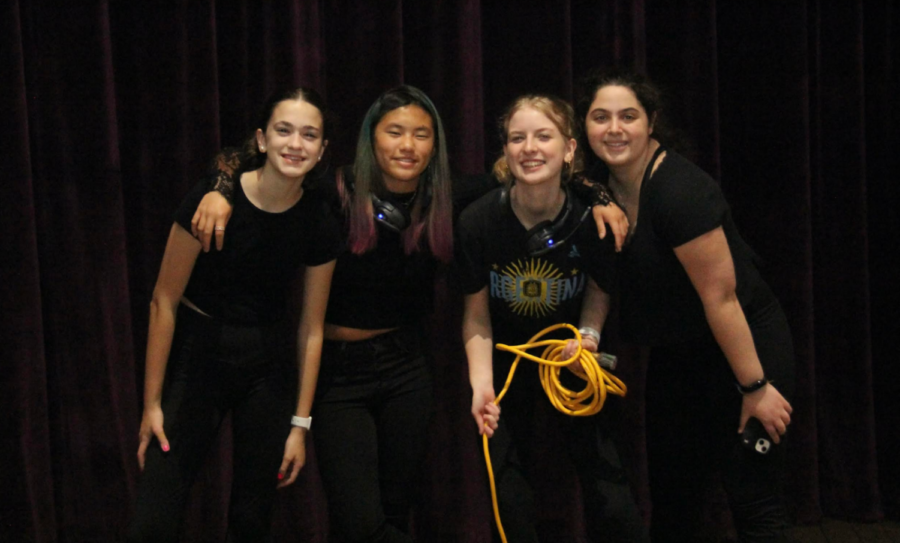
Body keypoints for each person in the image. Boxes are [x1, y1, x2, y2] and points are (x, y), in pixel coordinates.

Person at [189, 85, 630, 543]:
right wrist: (220, 188)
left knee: (394, 511)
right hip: (338, 374)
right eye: (394, 131)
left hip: (407, 370)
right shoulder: (334, 189)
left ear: (434, 143)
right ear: (371, 138)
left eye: (421, 134)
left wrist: (595, 192)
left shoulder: (450, 196)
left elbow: (534, 172)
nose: (407, 145)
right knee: (361, 522)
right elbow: (246, 159)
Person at [577, 69, 795, 542]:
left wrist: (754, 387)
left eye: (628, 116)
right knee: (673, 498)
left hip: (743, 347)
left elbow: (722, 297)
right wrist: (587, 337)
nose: (614, 128)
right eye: (600, 117)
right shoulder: (597, 187)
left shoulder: (681, 191)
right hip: (679, 353)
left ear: (651, 122)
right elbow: (603, 277)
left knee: (752, 495)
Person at [127, 87, 343, 542]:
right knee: (153, 519)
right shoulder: (211, 203)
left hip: (267, 364)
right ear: (262, 140)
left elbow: (311, 327)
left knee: (251, 519)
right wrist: (151, 404)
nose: (295, 144)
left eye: (309, 135)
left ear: (322, 151)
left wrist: (299, 425)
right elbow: (162, 301)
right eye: (284, 130)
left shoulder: (320, 216)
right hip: (199, 354)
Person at [456, 94, 649, 543]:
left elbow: (600, 289)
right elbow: (476, 316)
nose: (529, 148)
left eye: (543, 136)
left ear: (569, 149)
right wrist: (481, 384)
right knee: (509, 495)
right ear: (504, 150)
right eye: (517, 138)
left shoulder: (593, 218)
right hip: (506, 360)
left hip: (570, 360)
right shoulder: (477, 222)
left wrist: (587, 337)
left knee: (611, 496)